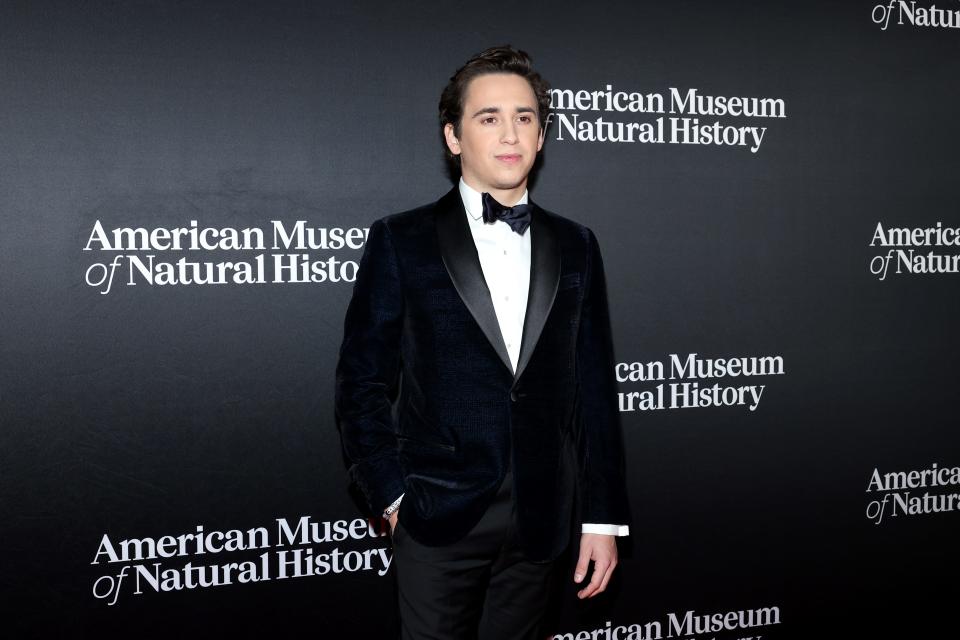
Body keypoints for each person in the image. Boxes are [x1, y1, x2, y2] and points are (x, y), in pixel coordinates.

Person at [335, 45, 631, 640]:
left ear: (542, 136)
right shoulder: (402, 239)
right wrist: (391, 496)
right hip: (439, 513)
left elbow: (594, 388)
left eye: (524, 117)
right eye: (488, 117)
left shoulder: (577, 244)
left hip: (544, 516)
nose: (510, 134)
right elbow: (361, 381)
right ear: (453, 137)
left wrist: (603, 518)